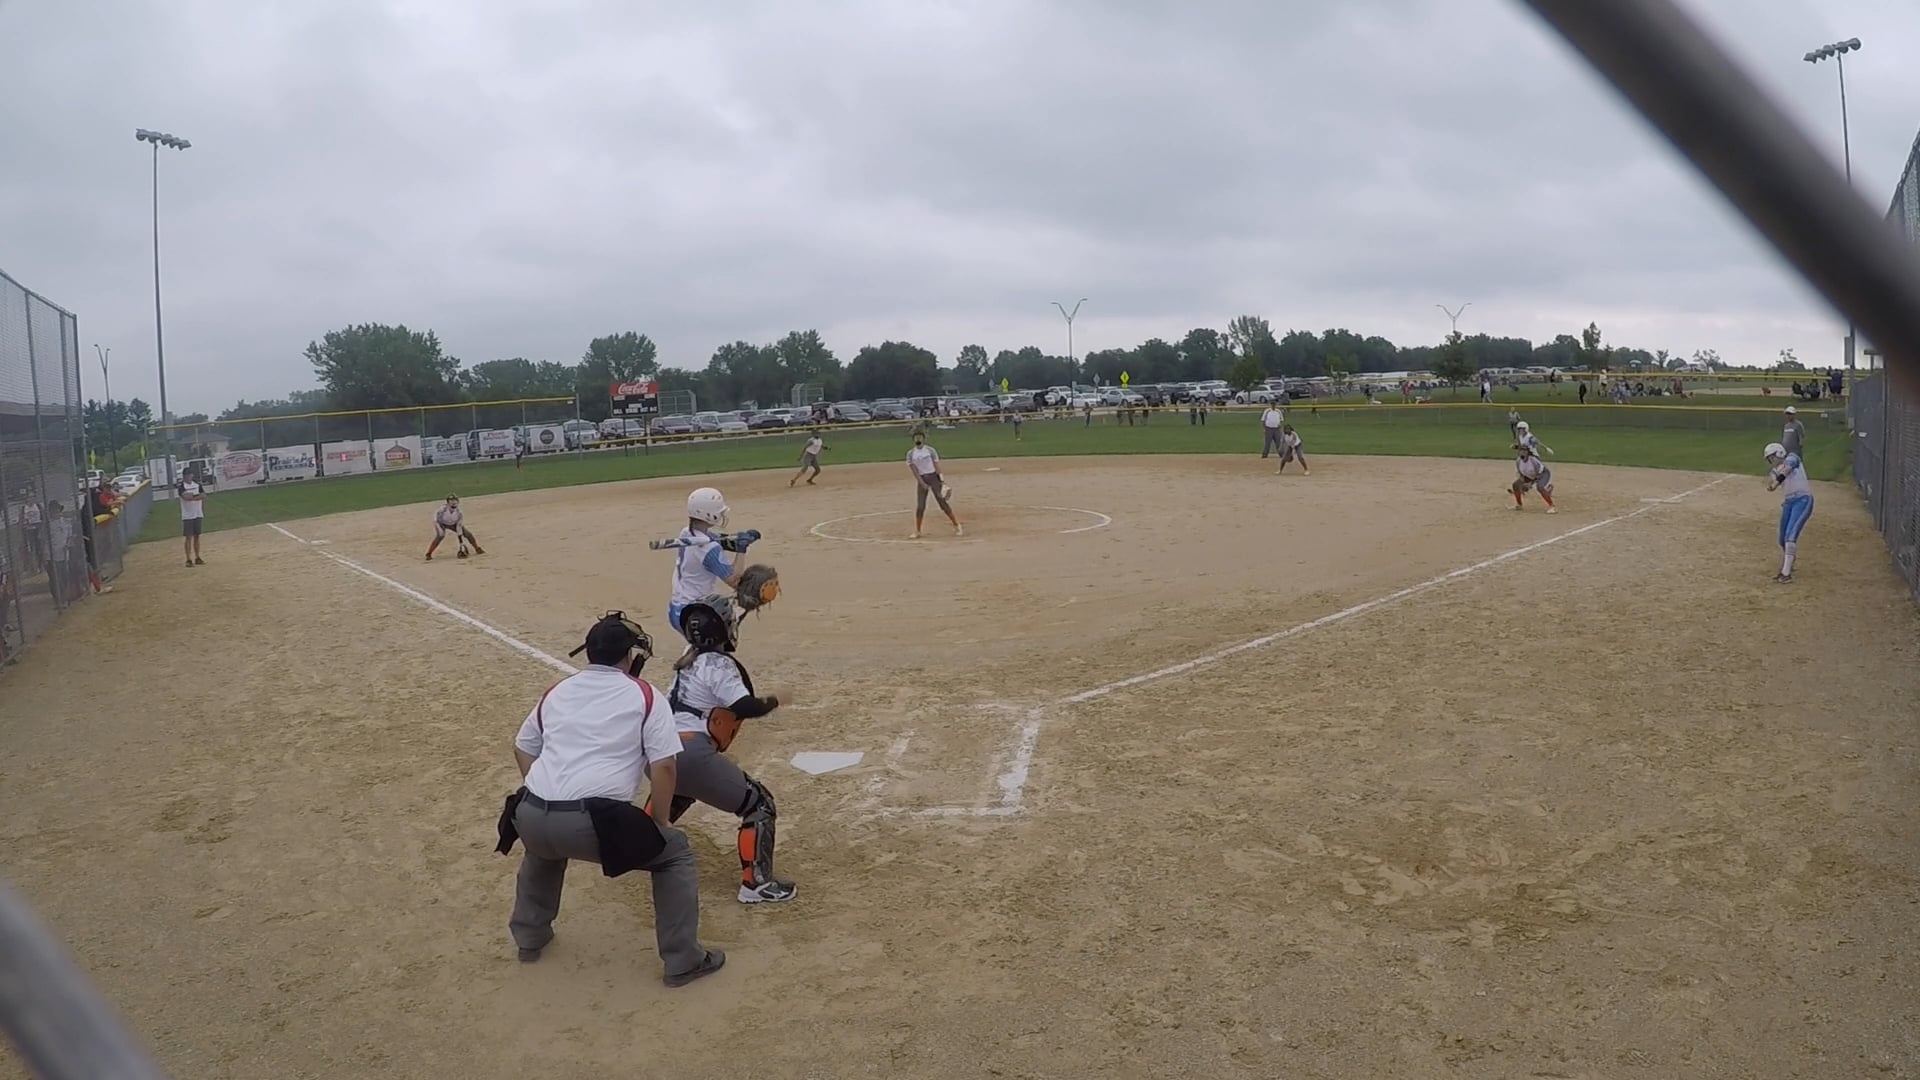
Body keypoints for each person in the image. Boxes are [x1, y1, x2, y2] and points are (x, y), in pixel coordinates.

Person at [498, 612, 724, 986]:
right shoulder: (645, 695)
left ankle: (530, 938)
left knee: (543, 849)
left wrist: (545, 791)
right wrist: (661, 821)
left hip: (530, 814)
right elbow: (665, 767)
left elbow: (523, 747)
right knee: (675, 853)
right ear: (629, 656)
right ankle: (683, 960)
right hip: (592, 822)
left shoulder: (558, 690)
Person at [646, 601, 798, 904]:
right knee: (759, 804)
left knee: (679, 788)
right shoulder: (718, 664)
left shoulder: (687, 659)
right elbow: (745, 706)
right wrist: (776, 700)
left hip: (655, 753)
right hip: (690, 753)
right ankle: (756, 885)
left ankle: (641, 848)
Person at [667, 487, 753, 640]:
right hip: (694, 614)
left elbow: (715, 538)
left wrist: (734, 540)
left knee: (698, 648)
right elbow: (735, 581)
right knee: (716, 648)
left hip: (677, 607)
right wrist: (741, 550)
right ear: (709, 514)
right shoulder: (709, 550)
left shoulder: (686, 532)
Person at [1764, 441, 1813, 583]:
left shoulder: (1792, 458)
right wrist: (1773, 482)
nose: (1771, 461)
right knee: (1782, 539)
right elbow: (1774, 478)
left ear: (1779, 453)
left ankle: (1786, 574)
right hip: (1789, 502)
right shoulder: (1775, 470)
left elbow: (1787, 470)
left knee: (1790, 536)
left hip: (1802, 500)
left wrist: (1777, 481)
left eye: (1772, 457)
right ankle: (1790, 560)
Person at [906, 431, 962, 539]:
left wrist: (942, 480)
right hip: (922, 478)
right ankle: (918, 531)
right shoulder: (910, 454)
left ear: (923, 439)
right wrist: (922, 483)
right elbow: (914, 470)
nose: (918, 439)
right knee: (920, 506)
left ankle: (956, 525)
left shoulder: (930, 450)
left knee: (942, 502)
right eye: (916, 437)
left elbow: (936, 465)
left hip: (933, 477)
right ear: (913, 440)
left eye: (920, 437)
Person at [425, 494, 485, 560]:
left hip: (453, 524)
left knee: (467, 534)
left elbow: (459, 527)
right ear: (448, 502)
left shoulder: (459, 513)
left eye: (455, 500)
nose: (453, 502)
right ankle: (429, 553)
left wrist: (461, 543)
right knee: (440, 536)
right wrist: (439, 529)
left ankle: (477, 548)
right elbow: (436, 520)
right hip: (441, 523)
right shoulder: (442, 509)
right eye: (451, 500)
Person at [1509, 444, 1557, 513]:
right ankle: (1519, 505)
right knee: (1515, 485)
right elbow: (1521, 475)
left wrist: (1530, 484)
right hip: (1530, 475)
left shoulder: (1533, 461)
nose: (1523, 452)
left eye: (1525, 450)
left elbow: (1538, 475)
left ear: (1528, 452)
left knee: (1540, 487)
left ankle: (1552, 506)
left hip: (1543, 474)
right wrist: (1523, 484)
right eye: (1521, 450)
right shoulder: (1518, 461)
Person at [178, 470, 206, 567]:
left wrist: (192, 497)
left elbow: (203, 495)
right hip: (188, 515)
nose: (189, 476)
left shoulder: (197, 485)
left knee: (197, 536)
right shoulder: (182, 486)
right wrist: (196, 496)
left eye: (190, 475)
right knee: (188, 537)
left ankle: (197, 557)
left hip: (198, 513)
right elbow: (186, 497)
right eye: (187, 475)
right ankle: (188, 559)